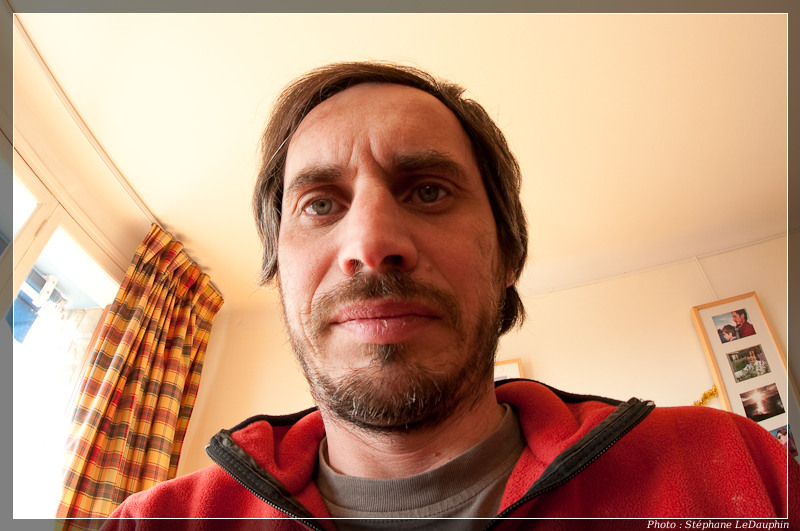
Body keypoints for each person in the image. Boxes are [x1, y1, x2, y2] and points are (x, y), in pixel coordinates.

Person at [105, 62, 797, 527]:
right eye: (320, 204)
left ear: (508, 253)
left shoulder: (736, 469)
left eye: (429, 191)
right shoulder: (153, 524)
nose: (371, 242)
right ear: (278, 269)